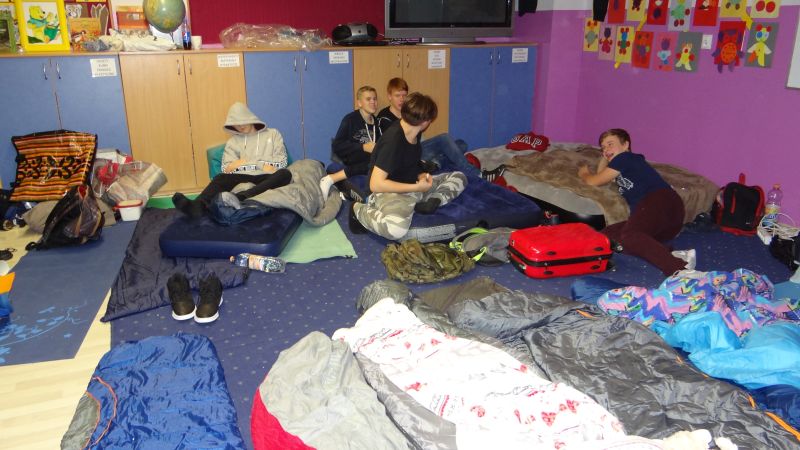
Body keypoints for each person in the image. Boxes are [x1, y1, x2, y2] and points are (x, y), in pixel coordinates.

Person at [577, 128, 696, 276]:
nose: (606, 149)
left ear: (626, 145)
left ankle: (680, 270)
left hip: (661, 201)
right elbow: (603, 176)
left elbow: (595, 181)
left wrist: (584, 173)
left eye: (610, 144)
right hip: (661, 222)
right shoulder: (622, 168)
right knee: (606, 237)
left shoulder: (626, 158)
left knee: (631, 235)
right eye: (603, 147)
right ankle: (672, 255)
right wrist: (605, 156)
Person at [350, 93, 468, 240]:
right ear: (425, 122)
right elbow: (376, 184)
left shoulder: (414, 131)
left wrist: (421, 175)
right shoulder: (393, 141)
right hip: (388, 191)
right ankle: (358, 210)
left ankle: (433, 201)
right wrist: (416, 187)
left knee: (460, 177)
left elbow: (411, 163)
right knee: (396, 230)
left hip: (412, 185)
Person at [172, 102, 292, 218]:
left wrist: (246, 162)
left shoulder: (273, 134)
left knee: (285, 174)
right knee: (221, 177)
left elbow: (281, 162)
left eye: (242, 121)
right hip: (243, 176)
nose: (240, 126)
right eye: (236, 124)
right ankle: (198, 206)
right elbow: (227, 168)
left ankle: (240, 197)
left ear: (250, 118)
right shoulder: (233, 142)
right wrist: (263, 164)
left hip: (267, 177)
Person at [376, 77, 480, 177]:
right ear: (389, 96)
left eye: (404, 95)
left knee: (461, 144)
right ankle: (474, 172)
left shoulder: (411, 111)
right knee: (445, 140)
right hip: (405, 154)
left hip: (418, 148)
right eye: (397, 95)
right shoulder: (384, 117)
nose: (402, 99)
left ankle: (435, 164)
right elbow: (389, 149)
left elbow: (419, 137)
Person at [319, 86, 380, 200]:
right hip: (353, 159)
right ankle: (330, 179)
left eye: (375, 99)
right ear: (359, 103)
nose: (373, 102)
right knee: (371, 161)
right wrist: (362, 147)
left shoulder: (377, 123)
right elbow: (337, 146)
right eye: (368, 99)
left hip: (369, 164)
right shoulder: (350, 119)